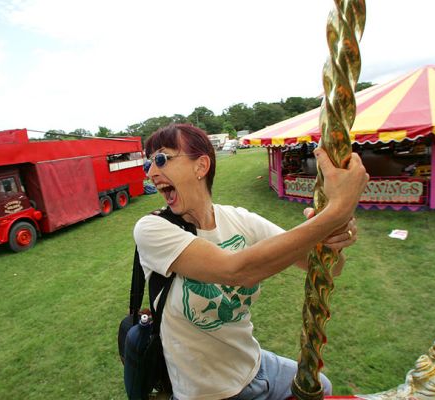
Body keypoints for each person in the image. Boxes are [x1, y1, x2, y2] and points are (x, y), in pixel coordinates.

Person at [133, 123, 369, 400]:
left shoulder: (239, 220)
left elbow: (330, 269)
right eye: (149, 163)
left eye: (161, 158)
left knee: (322, 388)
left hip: (255, 366)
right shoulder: (151, 229)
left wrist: (332, 240)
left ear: (201, 166)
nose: (151, 172)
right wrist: (336, 212)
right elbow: (236, 270)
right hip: (206, 391)